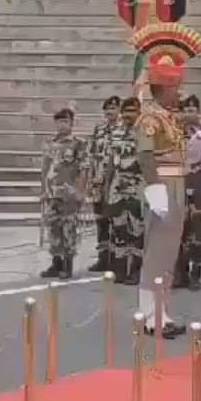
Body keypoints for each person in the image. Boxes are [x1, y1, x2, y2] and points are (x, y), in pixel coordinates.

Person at [132, 22, 201, 338]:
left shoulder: (169, 118)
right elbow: (146, 155)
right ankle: (149, 314)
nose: (179, 91)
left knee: (168, 253)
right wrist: (153, 187)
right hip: (161, 183)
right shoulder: (150, 116)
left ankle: (161, 310)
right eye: (174, 86)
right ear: (163, 86)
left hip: (175, 183)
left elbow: (175, 153)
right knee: (157, 252)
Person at [173, 95, 201, 291]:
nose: (189, 113)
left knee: (197, 234)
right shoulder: (173, 133)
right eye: (185, 110)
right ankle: (179, 272)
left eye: (193, 110)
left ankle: (196, 273)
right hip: (178, 188)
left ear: (199, 112)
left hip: (200, 188)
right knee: (178, 233)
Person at [39, 108, 88, 279]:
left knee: (69, 229)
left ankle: (67, 265)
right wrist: (43, 190)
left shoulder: (78, 144)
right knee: (54, 229)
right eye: (59, 121)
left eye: (65, 121)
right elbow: (45, 167)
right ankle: (56, 262)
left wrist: (80, 191)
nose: (62, 125)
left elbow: (83, 170)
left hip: (69, 194)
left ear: (72, 123)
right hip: (53, 193)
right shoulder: (50, 143)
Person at [105, 98, 144, 285]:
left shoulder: (146, 133)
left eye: (132, 111)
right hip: (117, 189)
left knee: (137, 231)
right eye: (125, 111)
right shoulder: (116, 133)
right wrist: (107, 188)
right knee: (118, 229)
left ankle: (136, 271)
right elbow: (111, 162)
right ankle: (119, 269)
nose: (128, 115)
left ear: (139, 112)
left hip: (138, 189)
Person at [87, 97, 122, 273]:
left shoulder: (124, 131)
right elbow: (92, 155)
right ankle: (103, 258)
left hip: (117, 183)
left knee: (116, 221)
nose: (110, 112)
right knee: (101, 221)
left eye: (114, 108)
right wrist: (90, 179)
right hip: (99, 182)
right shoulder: (99, 130)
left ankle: (116, 259)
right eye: (107, 108)